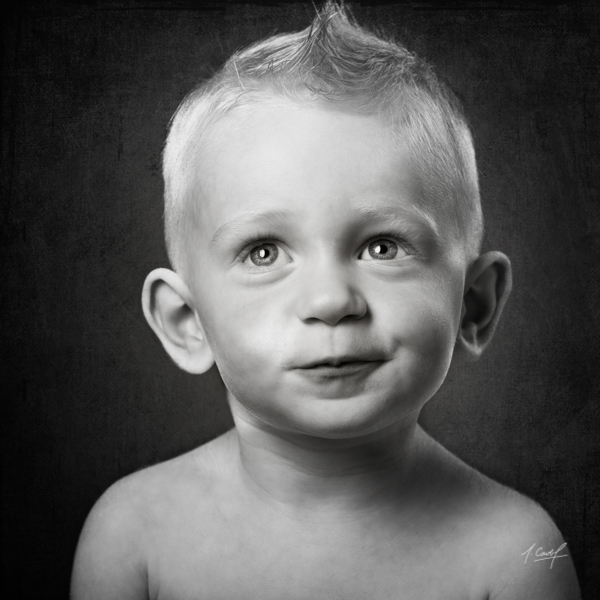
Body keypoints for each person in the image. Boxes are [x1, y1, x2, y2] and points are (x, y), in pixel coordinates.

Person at [71, 2, 580, 598]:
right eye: (264, 252)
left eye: (383, 247)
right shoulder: (135, 537)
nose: (332, 300)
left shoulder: (517, 555)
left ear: (474, 304)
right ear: (187, 323)